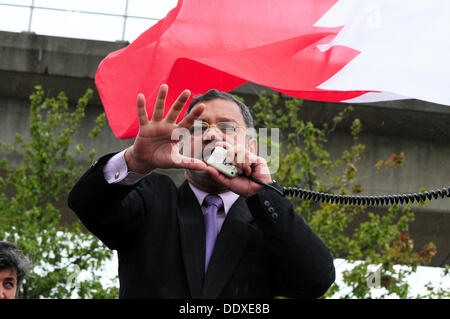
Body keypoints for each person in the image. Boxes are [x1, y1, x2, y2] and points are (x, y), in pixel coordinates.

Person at [68, 84, 335, 298]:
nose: (211, 135)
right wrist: (135, 162)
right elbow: (86, 203)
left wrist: (262, 193)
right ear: (181, 144)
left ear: (252, 146)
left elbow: (315, 280)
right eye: (199, 127)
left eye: (227, 127)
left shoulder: (267, 220)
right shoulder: (152, 195)